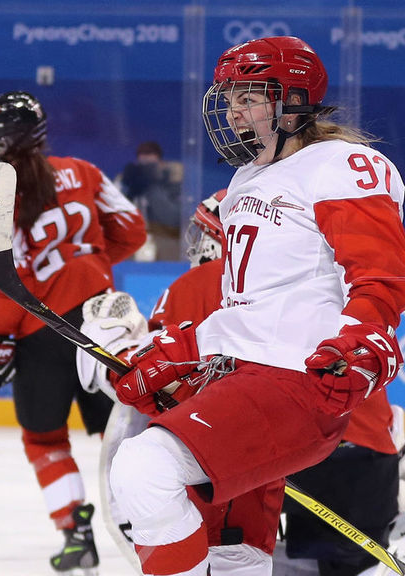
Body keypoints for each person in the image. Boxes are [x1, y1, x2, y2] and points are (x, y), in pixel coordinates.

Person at [104, 35, 405, 576]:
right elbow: (253, 304)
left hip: (297, 380)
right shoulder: (247, 179)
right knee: (235, 549)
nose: (232, 110)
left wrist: (367, 334)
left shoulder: (341, 163)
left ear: (292, 100)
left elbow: (378, 273)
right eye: (229, 98)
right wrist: (186, 348)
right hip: (243, 375)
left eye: (248, 97)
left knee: (143, 468)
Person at [82, 189, 405, 575]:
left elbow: (150, 373)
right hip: (366, 461)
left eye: (208, 234)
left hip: (273, 448)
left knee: (223, 538)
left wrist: (112, 349)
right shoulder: (326, 283)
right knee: (346, 565)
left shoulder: (210, 281)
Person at [0, 90, 147, 575]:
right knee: (132, 432)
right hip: (102, 326)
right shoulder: (85, 171)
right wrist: (85, 266)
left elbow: (6, 278)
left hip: (40, 333)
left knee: (46, 440)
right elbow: (132, 230)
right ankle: (150, 523)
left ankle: (76, 535)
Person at [115, 141, 182, 261]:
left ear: (161, 164)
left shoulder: (174, 181)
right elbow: (115, 221)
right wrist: (128, 188)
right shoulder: (131, 181)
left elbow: (174, 219)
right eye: (143, 167)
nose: (147, 171)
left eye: (151, 167)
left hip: (167, 245)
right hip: (132, 247)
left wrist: (153, 186)